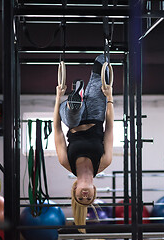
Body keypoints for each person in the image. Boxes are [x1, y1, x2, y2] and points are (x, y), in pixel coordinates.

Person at [53, 54, 114, 233]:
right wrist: (109, 98)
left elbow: (57, 130)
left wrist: (58, 97)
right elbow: (109, 129)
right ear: (95, 191)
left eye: (81, 198)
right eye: (89, 199)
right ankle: (77, 98)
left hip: (73, 119)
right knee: (102, 60)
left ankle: (74, 100)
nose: (85, 196)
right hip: (96, 113)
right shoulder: (104, 162)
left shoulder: (66, 162)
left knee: (72, 117)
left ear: (75, 191)